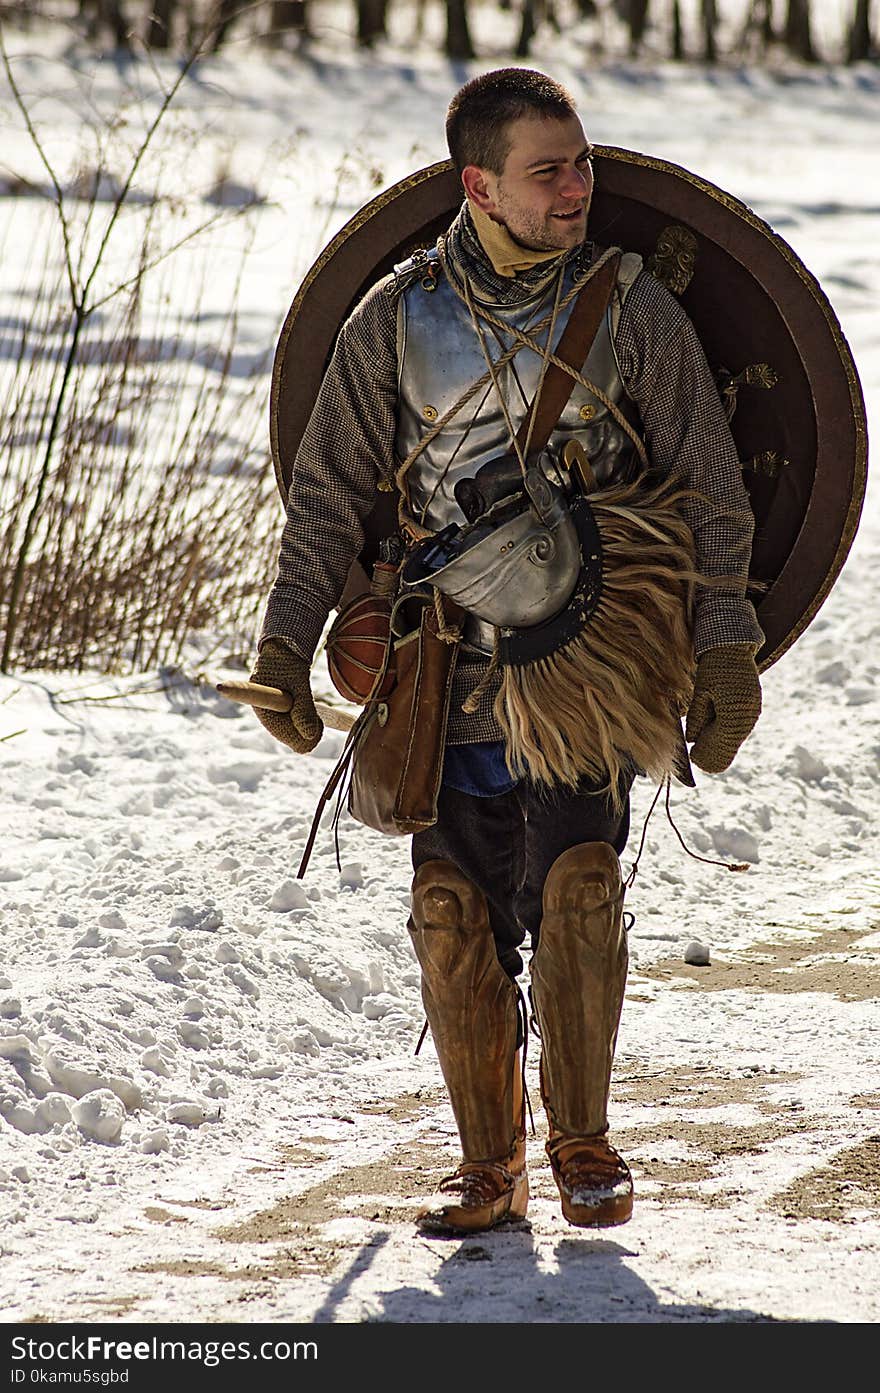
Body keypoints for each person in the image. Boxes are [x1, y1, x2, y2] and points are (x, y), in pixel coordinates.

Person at [251, 69, 763, 1235]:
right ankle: (490, 1165)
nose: (580, 188)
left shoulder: (632, 310)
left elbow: (712, 492)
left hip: (589, 661)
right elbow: (327, 498)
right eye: (550, 171)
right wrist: (286, 647)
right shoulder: (395, 317)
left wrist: (725, 650)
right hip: (442, 662)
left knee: (578, 890)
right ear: (478, 184)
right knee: (448, 906)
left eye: (581, 163)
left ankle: (582, 1141)